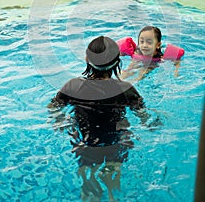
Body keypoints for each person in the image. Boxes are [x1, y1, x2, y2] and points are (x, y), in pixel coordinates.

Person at [48, 35, 147, 201]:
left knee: (88, 180)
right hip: (116, 144)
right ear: (118, 62)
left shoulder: (72, 86)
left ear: (87, 59)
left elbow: (53, 109)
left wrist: (60, 121)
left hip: (85, 145)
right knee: (112, 178)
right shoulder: (126, 89)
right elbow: (145, 117)